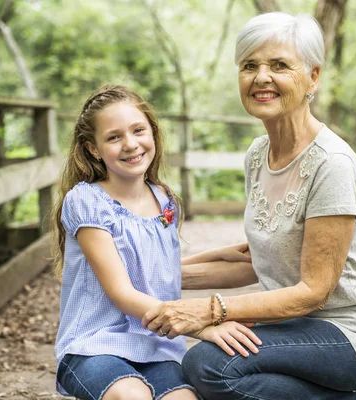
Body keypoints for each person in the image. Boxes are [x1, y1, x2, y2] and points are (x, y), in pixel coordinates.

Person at [142, 12, 356, 400]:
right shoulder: (259, 155)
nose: (261, 77)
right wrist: (154, 276)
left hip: (346, 333)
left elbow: (314, 291)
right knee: (204, 360)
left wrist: (212, 310)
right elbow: (255, 262)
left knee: (208, 365)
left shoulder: (332, 164)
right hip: (289, 328)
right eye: (250, 66)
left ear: (313, 77)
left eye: (279, 65)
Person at [51, 84, 262, 400]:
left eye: (138, 130)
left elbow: (151, 270)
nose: (131, 144)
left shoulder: (165, 200)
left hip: (156, 346)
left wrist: (218, 254)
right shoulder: (87, 201)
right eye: (113, 137)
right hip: (94, 345)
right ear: (93, 148)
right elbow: (122, 292)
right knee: (133, 396)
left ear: (152, 132)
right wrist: (202, 326)